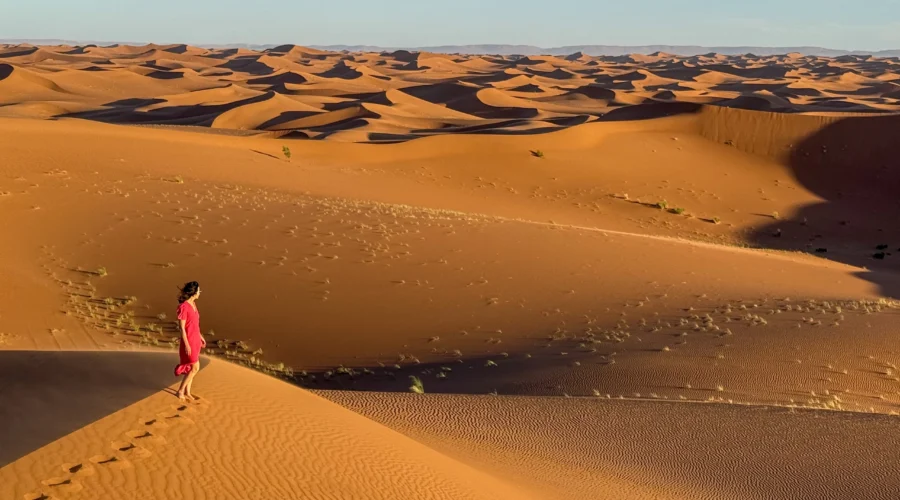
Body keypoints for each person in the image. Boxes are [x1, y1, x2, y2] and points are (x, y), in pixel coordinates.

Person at [174, 281, 206, 401]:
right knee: (195, 368)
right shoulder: (184, 307)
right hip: (189, 341)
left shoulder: (193, 304)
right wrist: (186, 344)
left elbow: (195, 324)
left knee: (192, 368)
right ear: (193, 292)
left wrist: (201, 336)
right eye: (198, 290)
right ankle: (180, 391)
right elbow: (182, 328)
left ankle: (187, 392)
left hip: (196, 339)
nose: (200, 292)